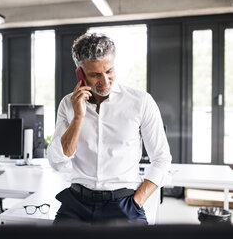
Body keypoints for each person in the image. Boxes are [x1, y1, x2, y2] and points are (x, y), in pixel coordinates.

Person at [47, 33, 172, 225]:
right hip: (77, 203)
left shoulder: (141, 102)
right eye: (95, 75)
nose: (105, 82)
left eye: (109, 71)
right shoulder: (68, 104)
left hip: (125, 203)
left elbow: (162, 159)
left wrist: (137, 201)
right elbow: (57, 162)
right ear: (80, 73)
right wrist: (79, 116)